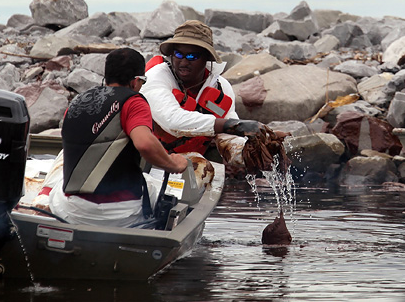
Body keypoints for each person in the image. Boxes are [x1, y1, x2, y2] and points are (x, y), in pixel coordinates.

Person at [49, 48, 188, 227]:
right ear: (135, 81)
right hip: (120, 215)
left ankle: (42, 198)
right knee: (160, 187)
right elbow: (145, 144)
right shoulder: (134, 102)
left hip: (73, 211)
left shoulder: (77, 102)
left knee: (58, 176)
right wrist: (173, 164)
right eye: (142, 82)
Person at [140, 20, 269, 160]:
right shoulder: (154, 78)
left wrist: (251, 151)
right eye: (178, 54)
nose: (183, 62)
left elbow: (229, 136)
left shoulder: (221, 87)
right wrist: (231, 125)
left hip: (190, 160)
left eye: (192, 56)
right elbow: (172, 121)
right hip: (145, 161)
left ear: (207, 57)